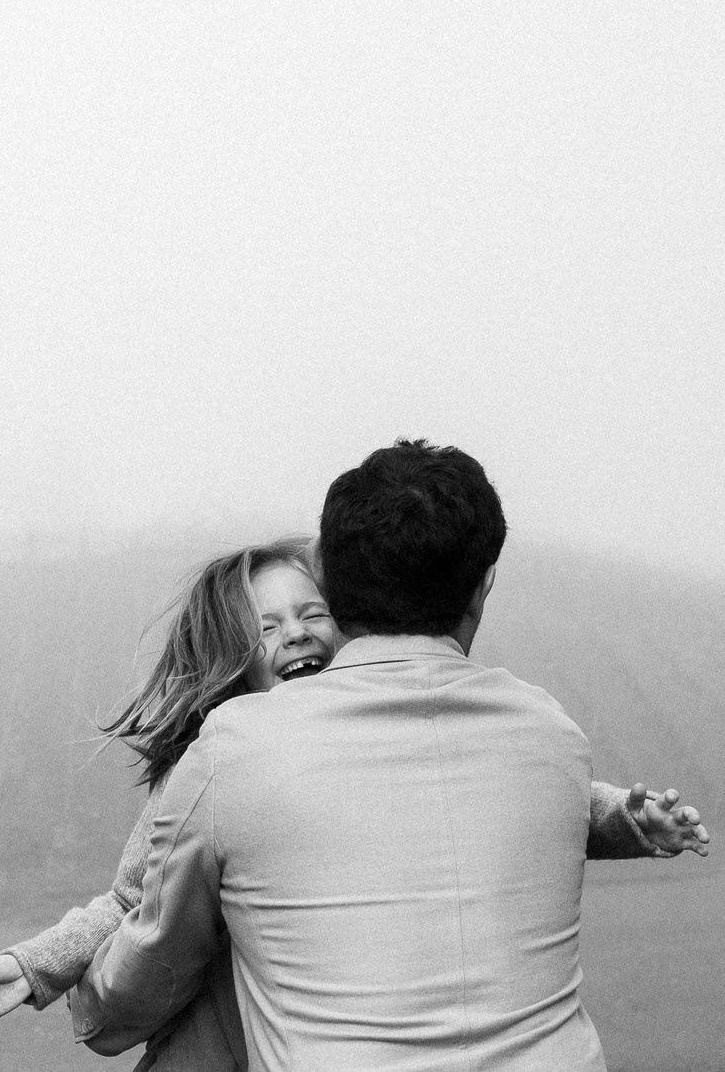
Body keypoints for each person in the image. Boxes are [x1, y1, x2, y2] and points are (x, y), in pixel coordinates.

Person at [0, 539, 711, 1067]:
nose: (296, 633)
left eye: (312, 614)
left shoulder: (373, 743)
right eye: (267, 625)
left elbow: (501, 789)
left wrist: (622, 818)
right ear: (231, 657)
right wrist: (34, 966)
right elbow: (127, 899)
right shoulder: (216, 766)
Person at [63, 440, 680, 1069]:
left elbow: (149, 961)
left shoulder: (234, 749)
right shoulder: (552, 733)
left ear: (328, 578)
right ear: (483, 584)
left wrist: (92, 1007)